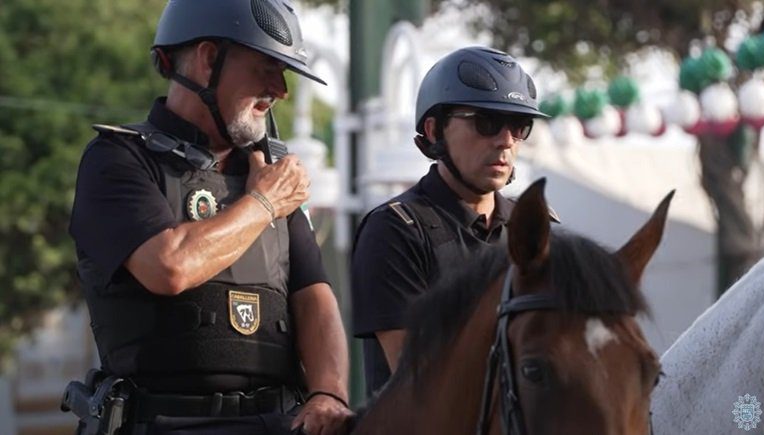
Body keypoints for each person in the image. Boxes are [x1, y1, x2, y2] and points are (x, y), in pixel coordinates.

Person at [66, 0, 352, 433]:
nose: (280, 90)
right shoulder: (118, 159)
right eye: (266, 68)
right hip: (164, 423)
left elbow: (314, 294)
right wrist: (263, 205)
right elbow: (169, 267)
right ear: (208, 59)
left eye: (284, 73)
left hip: (277, 421)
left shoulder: (267, 173)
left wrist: (329, 392)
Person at [351, 46, 555, 395]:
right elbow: (419, 378)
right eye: (486, 122)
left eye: (520, 126)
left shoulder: (535, 227)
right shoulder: (394, 230)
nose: (505, 140)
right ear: (434, 130)